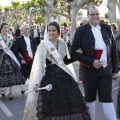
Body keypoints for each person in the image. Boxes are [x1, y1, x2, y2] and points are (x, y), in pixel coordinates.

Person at [23, 21, 91, 120]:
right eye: (49, 30)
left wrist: (76, 56)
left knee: (69, 103)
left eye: (54, 30)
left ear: (58, 32)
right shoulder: (43, 45)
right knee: (52, 105)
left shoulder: (62, 43)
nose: (51, 33)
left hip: (64, 76)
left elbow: (65, 61)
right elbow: (41, 65)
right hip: (50, 77)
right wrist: (37, 83)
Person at [71, 6, 118, 120]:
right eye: (92, 14)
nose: (95, 16)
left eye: (97, 13)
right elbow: (73, 52)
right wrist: (92, 62)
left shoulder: (107, 28)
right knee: (90, 98)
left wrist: (115, 70)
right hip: (88, 70)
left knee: (107, 98)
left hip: (105, 70)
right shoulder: (81, 30)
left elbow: (113, 50)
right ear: (88, 16)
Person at [0, 23, 25, 100]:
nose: (6, 29)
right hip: (1, 57)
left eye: (7, 28)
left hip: (9, 57)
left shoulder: (10, 37)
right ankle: (2, 91)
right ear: (1, 28)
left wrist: (20, 56)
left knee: (12, 72)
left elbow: (14, 48)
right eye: (4, 28)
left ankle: (10, 92)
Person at [14, 23, 36, 94]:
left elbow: (34, 50)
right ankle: (22, 88)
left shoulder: (32, 39)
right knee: (24, 75)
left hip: (32, 60)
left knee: (32, 75)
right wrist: (20, 60)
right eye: (25, 29)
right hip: (24, 60)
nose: (27, 30)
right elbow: (15, 51)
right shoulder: (18, 39)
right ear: (22, 30)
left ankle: (32, 88)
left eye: (28, 29)